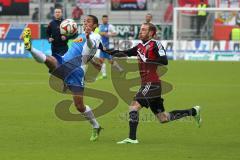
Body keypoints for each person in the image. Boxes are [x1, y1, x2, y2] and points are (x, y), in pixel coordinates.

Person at [100, 23, 202, 144]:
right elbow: (123, 53)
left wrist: (147, 59)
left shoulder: (155, 44)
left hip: (152, 83)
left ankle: (132, 138)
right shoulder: (139, 46)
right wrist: (104, 50)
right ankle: (193, 111)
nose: (140, 32)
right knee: (163, 118)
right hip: (149, 85)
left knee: (133, 106)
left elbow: (164, 61)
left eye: (143, 30)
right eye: (141, 29)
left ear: (151, 33)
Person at [22, 15, 103, 142]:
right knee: (50, 60)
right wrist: (92, 61)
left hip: (76, 70)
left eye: (89, 21)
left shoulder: (95, 37)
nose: (85, 23)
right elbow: (87, 54)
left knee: (79, 106)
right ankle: (30, 48)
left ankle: (96, 126)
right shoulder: (80, 36)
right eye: (84, 21)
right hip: (65, 61)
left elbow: (90, 47)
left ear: (95, 25)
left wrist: (88, 38)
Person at [98, 15, 123, 79]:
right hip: (102, 46)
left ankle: (120, 69)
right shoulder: (100, 26)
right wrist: (101, 33)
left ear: (107, 19)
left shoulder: (110, 26)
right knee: (101, 60)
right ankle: (104, 75)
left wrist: (108, 34)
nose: (105, 20)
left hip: (109, 46)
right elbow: (99, 33)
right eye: (104, 19)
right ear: (102, 19)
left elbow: (115, 33)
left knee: (110, 61)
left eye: (106, 19)